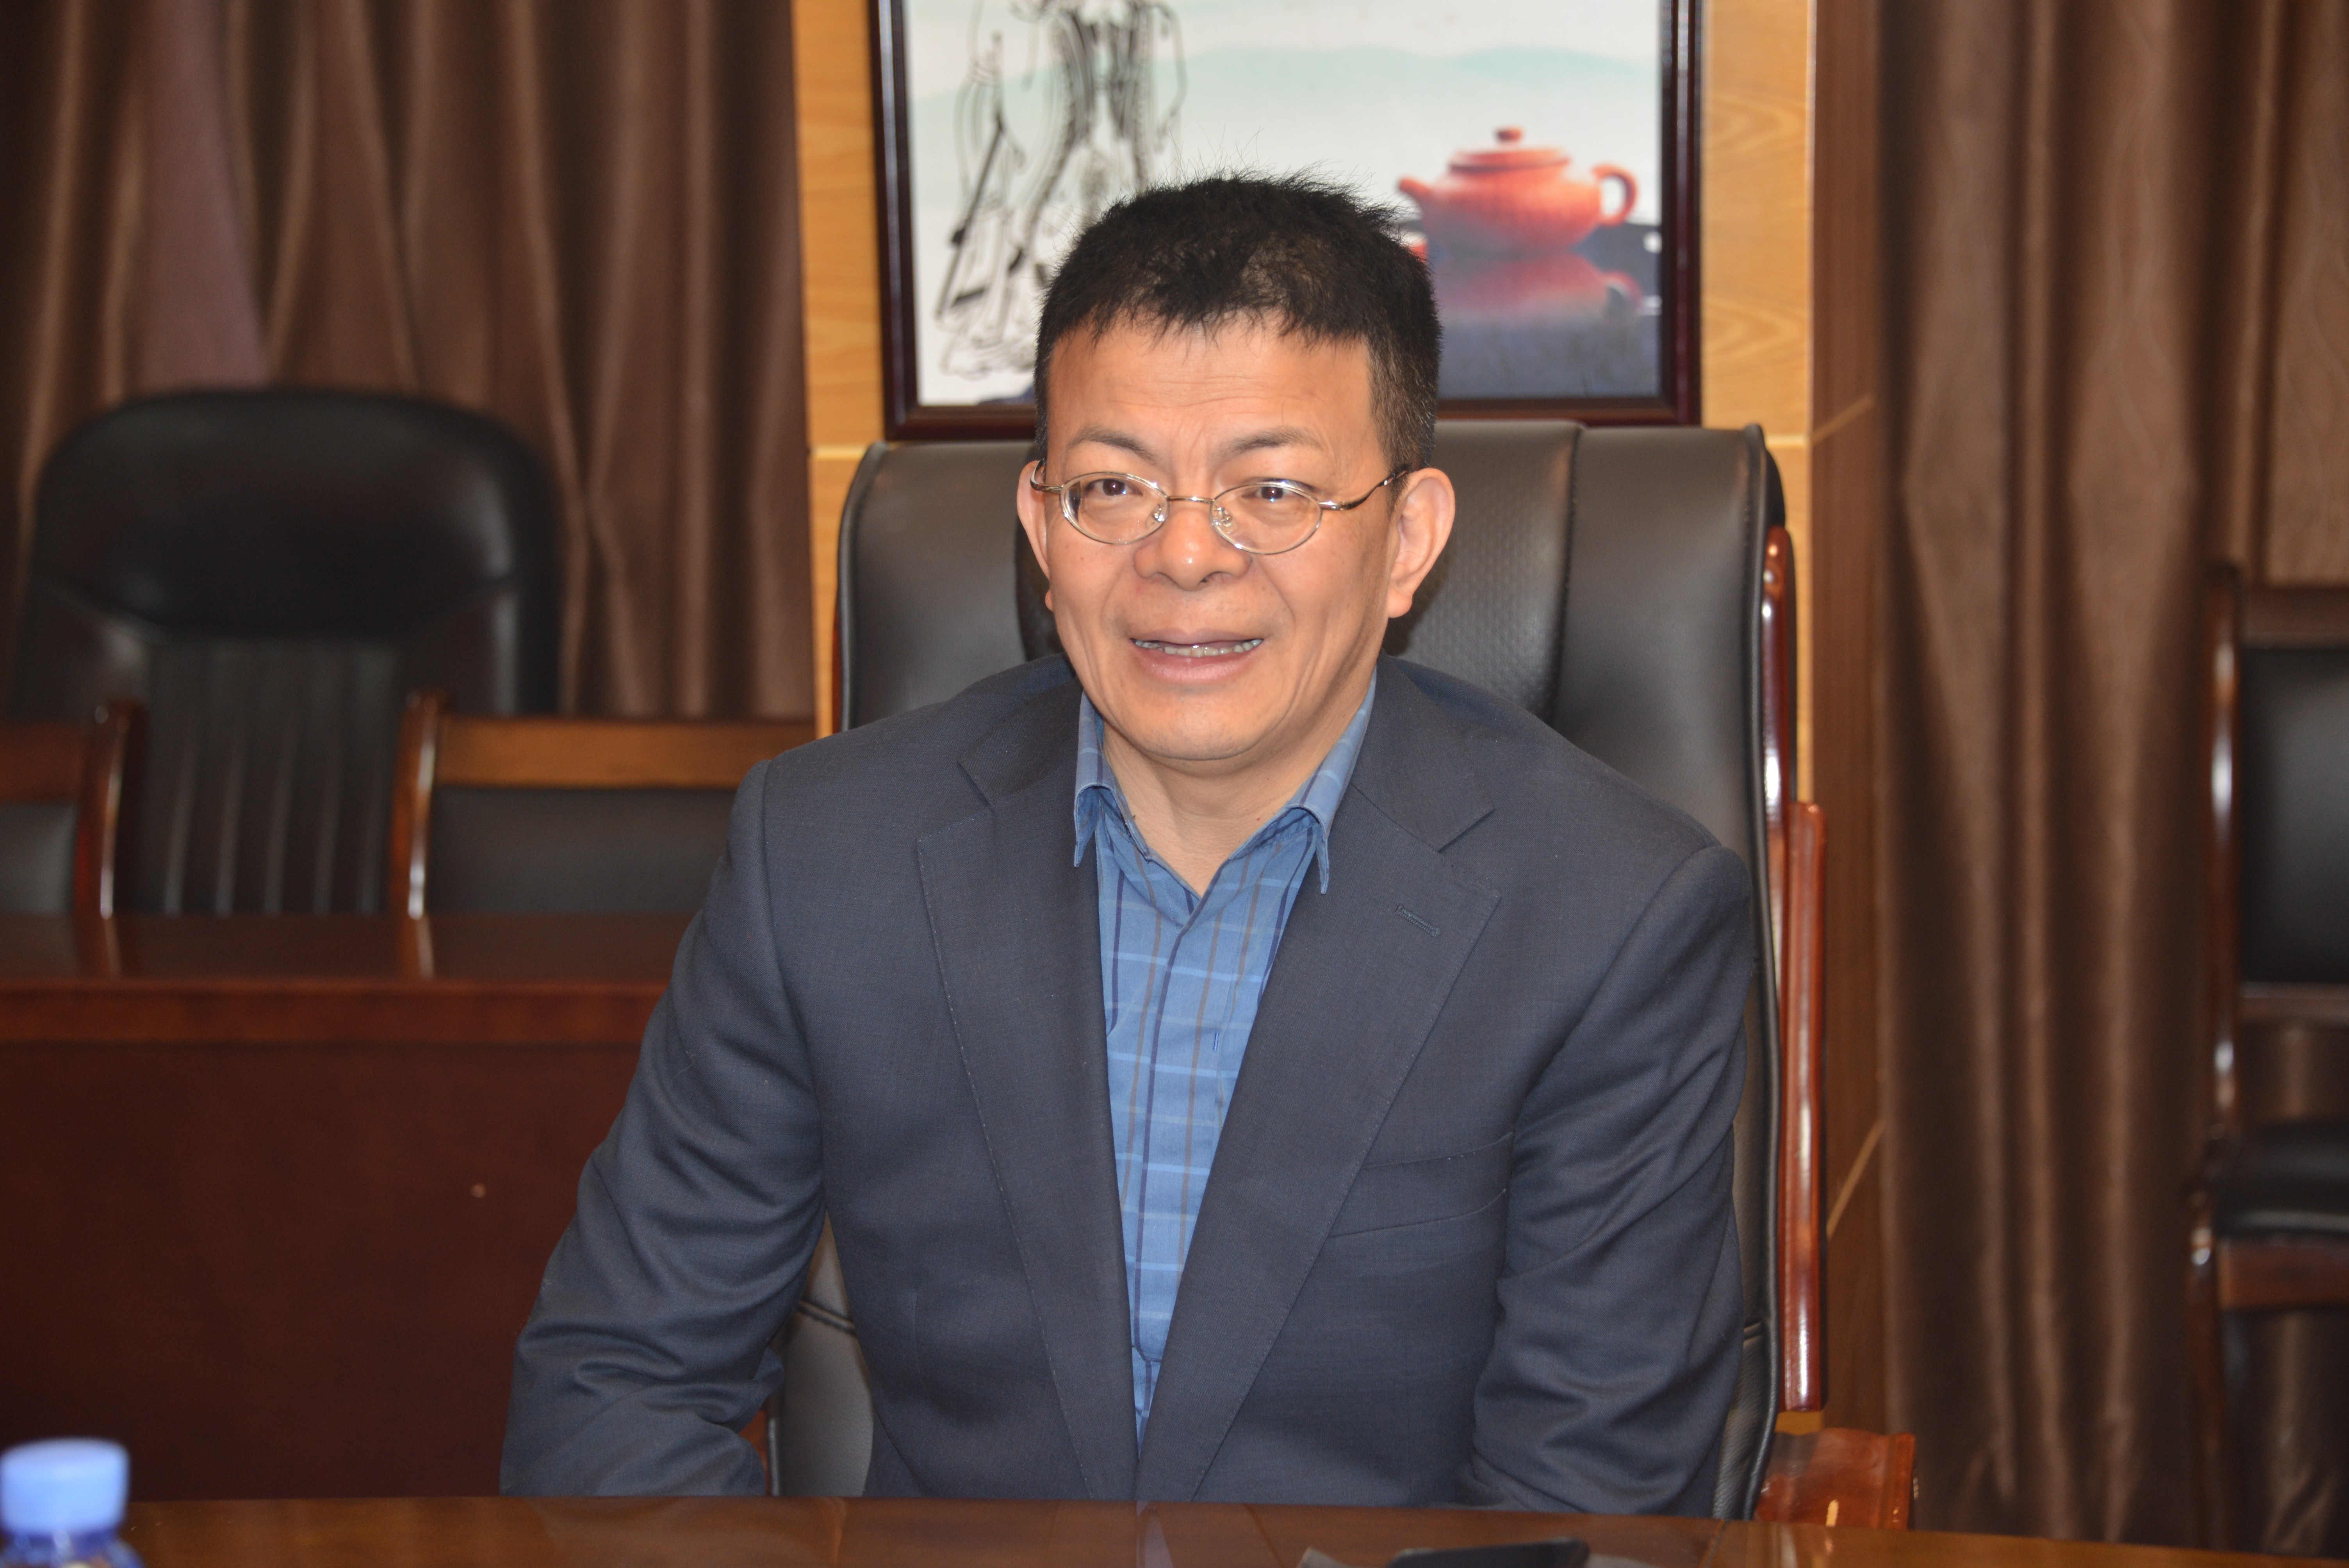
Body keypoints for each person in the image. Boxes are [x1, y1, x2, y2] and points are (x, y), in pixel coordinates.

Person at [503, 173, 1752, 1512]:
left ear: (1408, 541)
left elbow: (1585, 1505)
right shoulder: (825, 858)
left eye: (1271, 490)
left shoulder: (1612, 917)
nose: (1187, 557)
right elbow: (618, 1383)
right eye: (1114, 486)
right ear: (1043, 529)